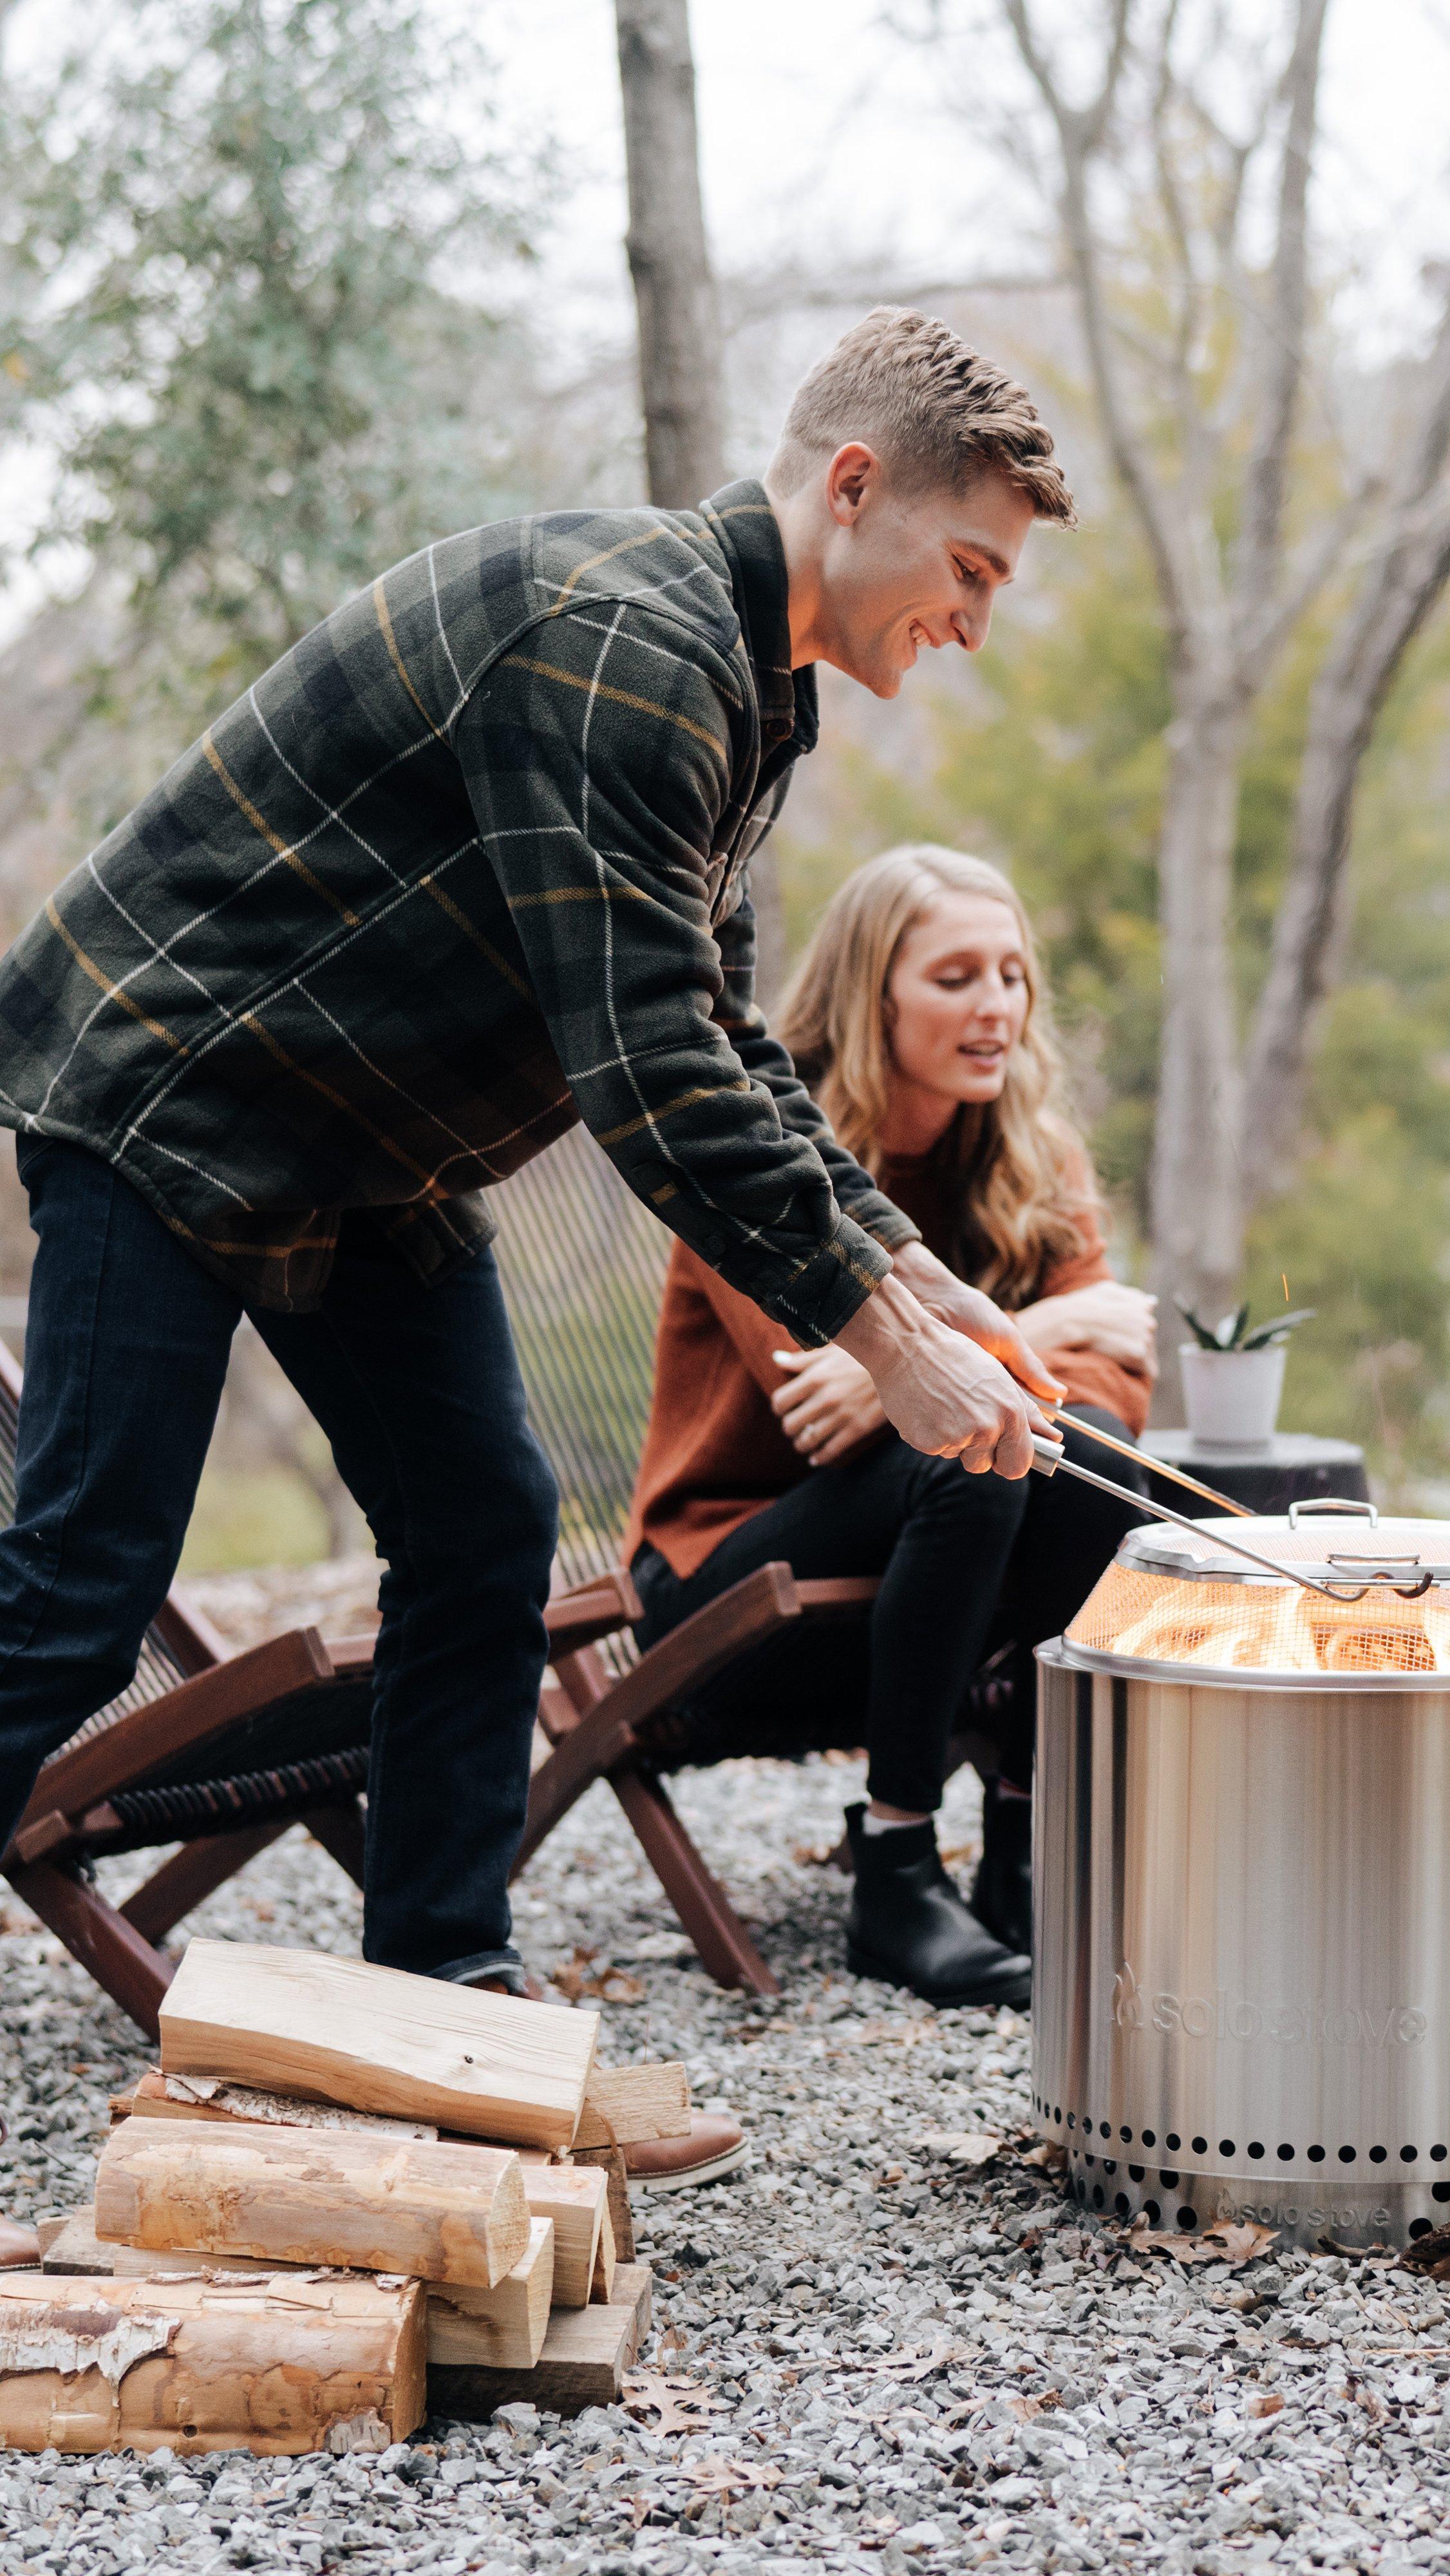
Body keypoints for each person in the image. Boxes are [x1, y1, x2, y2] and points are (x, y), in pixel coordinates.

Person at [0, 308, 1073, 2244]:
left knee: (484, 1525)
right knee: (74, 1596)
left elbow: (724, 1035)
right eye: (971, 567)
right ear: (854, 489)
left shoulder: (745, 692)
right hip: (173, 1100)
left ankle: (440, 2016)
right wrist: (872, 1345)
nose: (978, 619)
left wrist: (921, 1287)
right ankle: (442, 2000)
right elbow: (645, 1065)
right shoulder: (633, 637)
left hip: (361, 1152)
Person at [625, 846, 1153, 2008]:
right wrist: (1039, 1328)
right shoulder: (763, 1151)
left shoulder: (1030, 1152)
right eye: (957, 976)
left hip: (905, 1585)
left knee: (1085, 1463)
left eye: (1014, 976)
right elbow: (814, 1401)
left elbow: (1119, 1389)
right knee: (965, 1455)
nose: (998, 1007)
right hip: (722, 1595)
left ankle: (1021, 1853)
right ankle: (899, 1871)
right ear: (876, 994)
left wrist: (942, 1359)